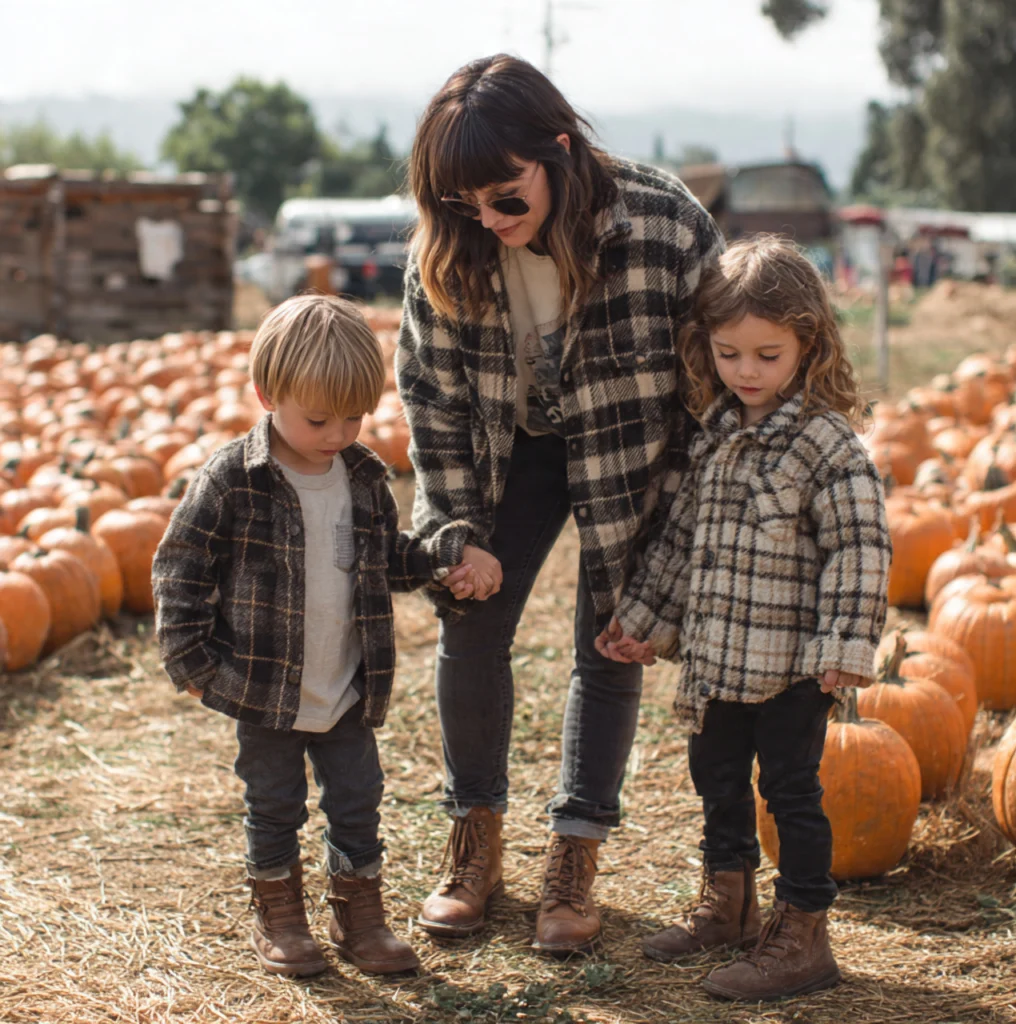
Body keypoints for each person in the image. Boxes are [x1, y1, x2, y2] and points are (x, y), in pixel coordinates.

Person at [397, 53, 723, 956]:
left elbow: (709, 405)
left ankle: (575, 857)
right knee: (471, 619)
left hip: (634, 450)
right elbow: (433, 404)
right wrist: (455, 533)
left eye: (506, 196)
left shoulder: (665, 225)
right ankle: (474, 841)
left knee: (611, 638)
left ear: (561, 150)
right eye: (464, 202)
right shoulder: (449, 248)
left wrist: (663, 564)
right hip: (511, 446)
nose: (488, 220)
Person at [598, 236, 891, 1000]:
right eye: (729, 354)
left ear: (808, 344)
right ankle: (727, 905)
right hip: (718, 660)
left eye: (767, 355)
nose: (747, 371)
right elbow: (681, 542)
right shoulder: (718, 435)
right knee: (717, 779)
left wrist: (844, 644)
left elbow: (860, 548)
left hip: (792, 666)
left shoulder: (829, 446)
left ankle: (802, 934)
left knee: (790, 792)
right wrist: (642, 621)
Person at [152, 294, 479, 979]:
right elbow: (180, 566)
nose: (338, 434)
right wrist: (191, 662)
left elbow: (388, 559)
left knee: (357, 802)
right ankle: (281, 916)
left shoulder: (362, 477)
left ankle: (359, 917)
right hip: (264, 690)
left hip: (346, 687)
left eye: (354, 417)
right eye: (319, 419)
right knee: (274, 806)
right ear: (267, 395)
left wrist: (443, 555)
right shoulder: (232, 480)